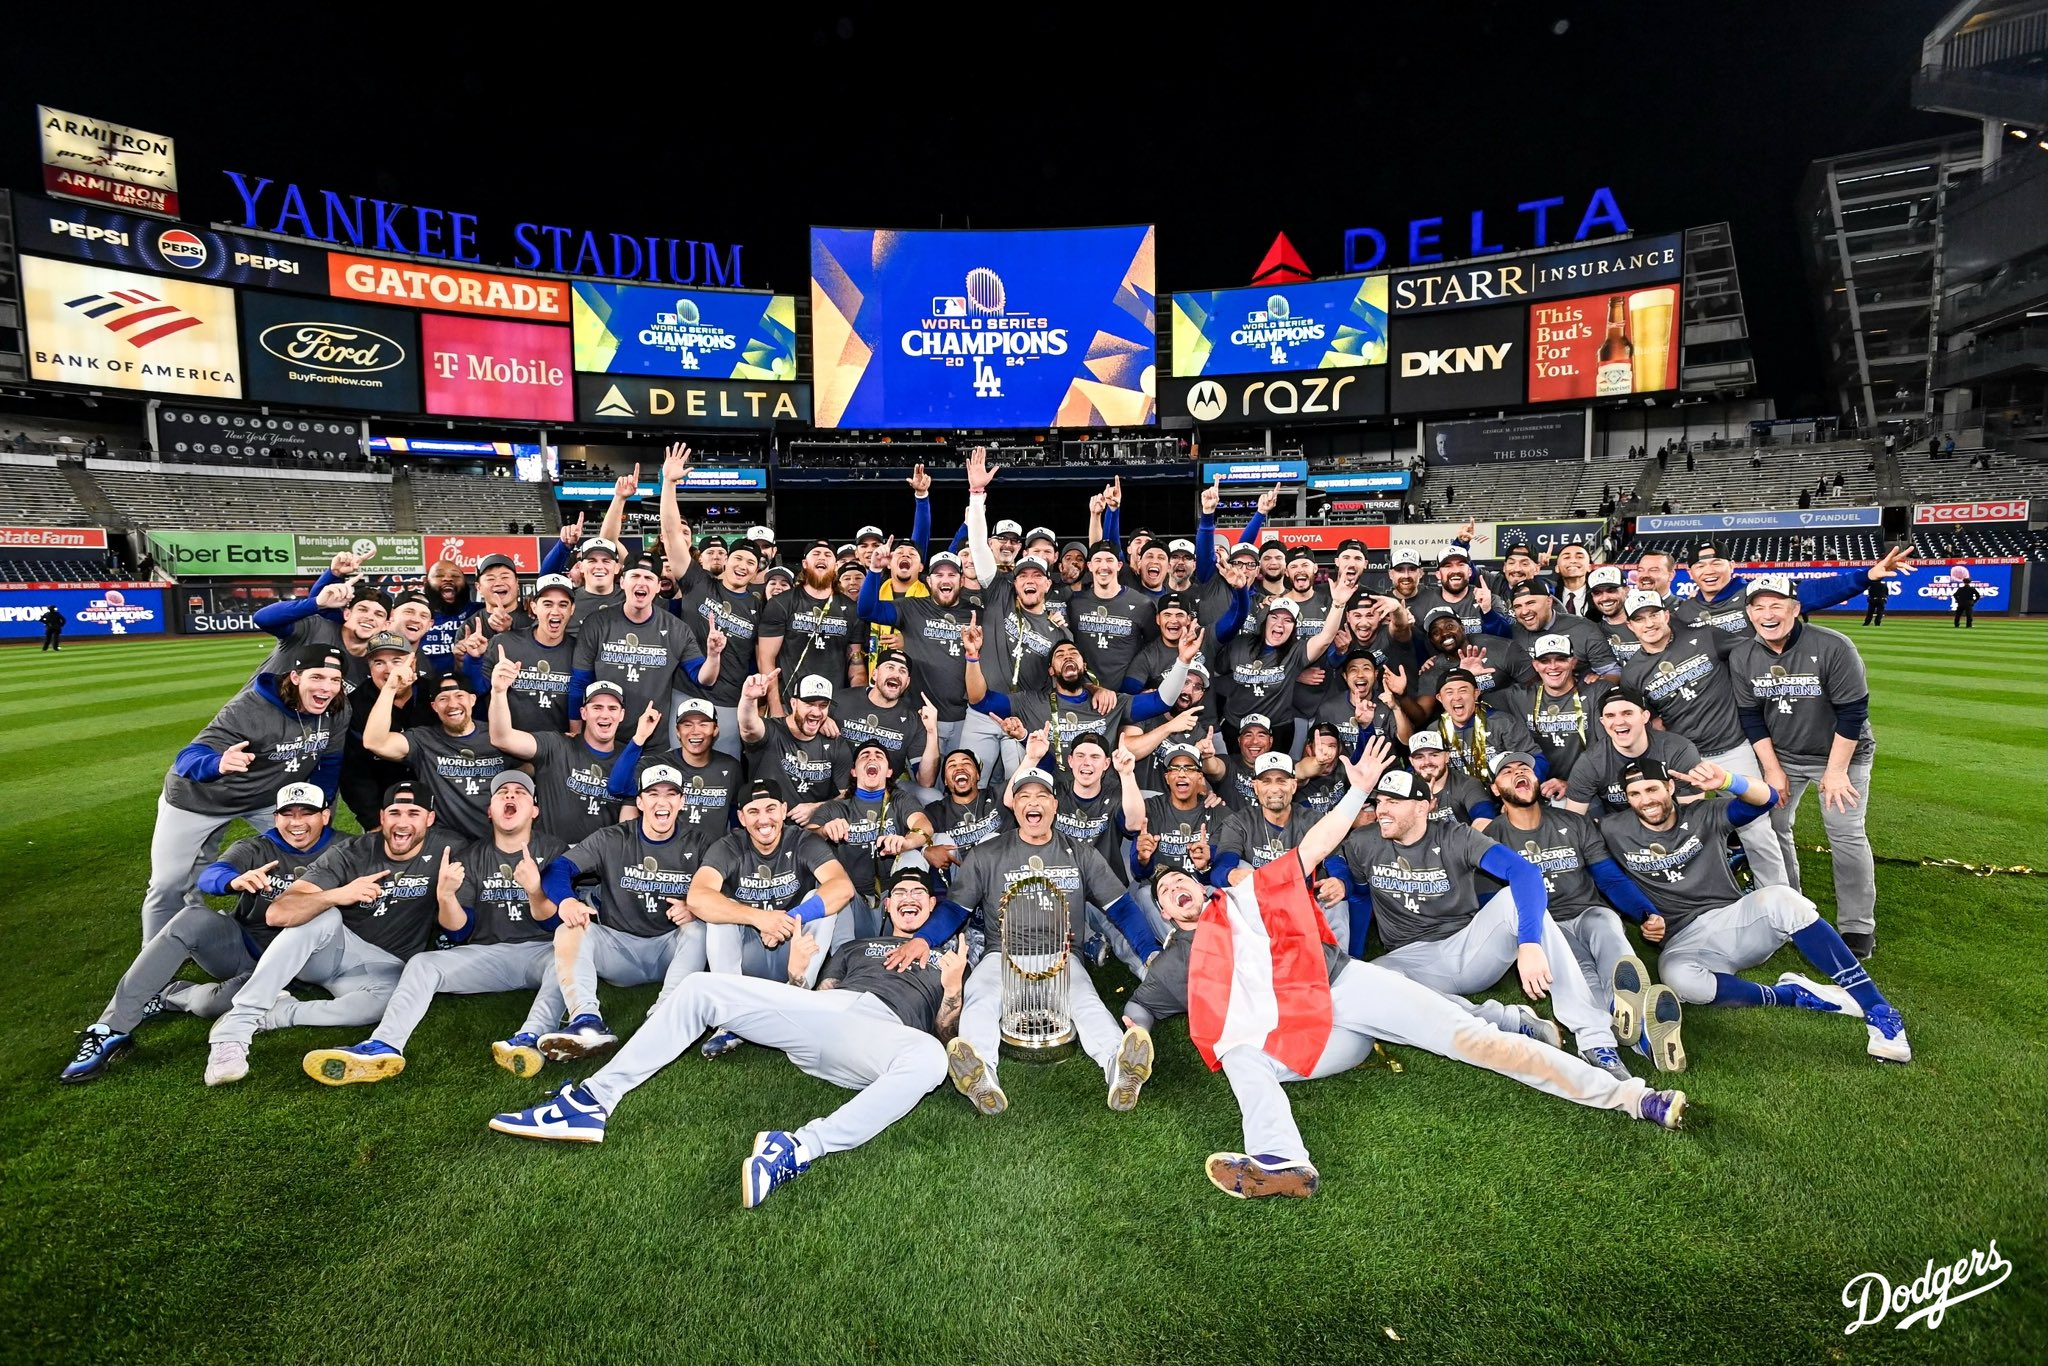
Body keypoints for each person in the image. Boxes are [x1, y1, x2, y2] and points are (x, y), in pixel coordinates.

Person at [1132, 748, 1685, 1198]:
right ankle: (1282, 1161)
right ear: (1163, 914)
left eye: (1178, 881)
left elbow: (1316, 845)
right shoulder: (1178, 958)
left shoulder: (1242, 898)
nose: (1172, 890)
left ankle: (1631, 1096)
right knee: (1238, 1054)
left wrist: (1355, 791)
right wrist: (1130, 1044)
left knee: (1473, 1041)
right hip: (1315, 1038)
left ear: (1201, 885)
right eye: (1162, 894)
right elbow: (1143, 1008)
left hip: (1344, 987)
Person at [487, 865, 965, 1210]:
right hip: (825, 1016)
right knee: (700, 987)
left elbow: (945, 1031)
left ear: (930, 906)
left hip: (883, 1036)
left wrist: (951, 989)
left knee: (930, 1058)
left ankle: (797, 1148)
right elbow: (813, 1002)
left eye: (918, 893)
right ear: (887, 904)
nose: (908, 896)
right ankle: (592, 1100)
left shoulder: (947, 958)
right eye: (899, 889)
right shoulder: (855, 946)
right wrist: (797, 974)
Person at [1599, 758, 1909, 1063]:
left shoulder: (1704, 814)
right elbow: (1606, 876)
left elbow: (1768, 799)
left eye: (1652, 789)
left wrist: (1727, 781)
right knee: (1679, 979)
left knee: (1784, 900)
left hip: (1736, 921)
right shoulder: (1615, 829)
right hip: (1683, 939)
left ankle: (1879, 1011)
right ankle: (1793, 995)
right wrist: (1644, 916)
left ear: (1669, 787)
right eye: (1635, 794)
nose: (1645, 800)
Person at [1341, 759, 1633, 1079]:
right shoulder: (1362, 842)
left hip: (1469, 948)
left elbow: (1523, 871)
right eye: (1380, 801)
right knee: (1370, 978)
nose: (1381, 810)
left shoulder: (1456, 836)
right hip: (1411, 959)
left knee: (1513, 899)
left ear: (1423, 807)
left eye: (1393, 802)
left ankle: (1595, 1039)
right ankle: (1506, 1020)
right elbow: (1358, 896)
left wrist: (1530, 943)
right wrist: (1352, 955)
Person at [902, 767, 1161, 1116]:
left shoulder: (1080, 853)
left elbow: (1123, 908)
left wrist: (1150, 952)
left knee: (1086, 1001)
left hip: (1061, 956)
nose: (1033, 802)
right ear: (1014, 806)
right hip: (1004, 955)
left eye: (1041, 796)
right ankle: (980, 1075)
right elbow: (953, 909)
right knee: (979, 997)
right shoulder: (989, 853)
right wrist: (922, 939)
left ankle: (1120, 1067)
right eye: (1024, 796)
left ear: (1054, 806)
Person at [301, 771, 565, 1084]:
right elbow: (458, 932)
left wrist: (535, 889)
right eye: (502, 793)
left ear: (534, 810)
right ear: (490, 810)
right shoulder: (470, 855)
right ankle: (383, 1045)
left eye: (520, 792)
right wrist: (445, 896)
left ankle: (530, 1038)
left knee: (569, 957)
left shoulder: (556, 851)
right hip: (487, 955)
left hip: (541, 952)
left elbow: (557, 921)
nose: (510, 796)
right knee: (423, 963)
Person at [63, 784, 336, 1083]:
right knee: (192, 918)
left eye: (306, 813)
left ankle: (170, 995)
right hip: (243, 948)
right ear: (275, 817)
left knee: (213, 1005)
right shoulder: (256, 847)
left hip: (296, 966)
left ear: (325, 815)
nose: (296, 822)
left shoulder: (348, 848)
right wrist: (234, 881)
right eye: (288, 814)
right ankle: (110, 1030)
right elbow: (211, 876)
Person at [203, 781, 460, 1086]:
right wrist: (337, 895)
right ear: (381, 817)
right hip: (335, 950)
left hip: (382, 967)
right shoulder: (352, 852)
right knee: (321, 915)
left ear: (429, 819)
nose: (402, 822)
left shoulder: (449, 849)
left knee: (392, 1002)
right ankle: (235, 1029)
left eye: (413, 813)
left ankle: (277, 1014)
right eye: (394, 812)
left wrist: (446, 895)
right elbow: (278, 913)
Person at [1484, 754, 1682, 1069]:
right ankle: (1606, 1040)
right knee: (1578, 967)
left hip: (1587, 911)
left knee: (1609, 928)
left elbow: (1609, 877)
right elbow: (1491, 905)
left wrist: (1646, 913)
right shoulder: (1490, 839)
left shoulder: (1573, 822)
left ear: (1536, 780)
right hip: (1544, 924)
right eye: (1507, 772)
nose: (1518, 773)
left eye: (1524, 769)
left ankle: (1625, 1011)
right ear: (1496, 789)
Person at [140, 645, 349, 940]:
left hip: (265, 800)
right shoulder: (249, 708)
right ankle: (155, 950)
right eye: (317, 677)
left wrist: (319, 804)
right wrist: (217, 763)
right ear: (296, 677)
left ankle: (292, 932)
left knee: (306, 856)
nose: (326, 688)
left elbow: (329, 760)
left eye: (334, 680)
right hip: (199, 799)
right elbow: (188, 756)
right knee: (168, 882)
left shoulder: (337, 709)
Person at [1729, 578, 1879, 958]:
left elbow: (1852, 712)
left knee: (1845, 835)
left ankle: (1857, 927)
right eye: (1759, 607)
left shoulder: (1832, 646)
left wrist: (1836, 771)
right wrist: (1773, 770)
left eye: (1777, 605)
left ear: (1795, 609)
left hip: (1842, 755)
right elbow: (1751, 718)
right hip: (1785, 756)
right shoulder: (1744, 655)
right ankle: (1794, 909)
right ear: (1748, 614)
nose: (1768, 614)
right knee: (1774, 827)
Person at [529, 762, 717, 1063]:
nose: (662, 802)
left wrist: (694, 907)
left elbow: (724, 887)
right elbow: (557, 868)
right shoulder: (613, 838)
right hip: (620, 950)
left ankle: (663, 1017)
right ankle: (586, 1020)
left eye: (671, 794)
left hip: (669, 949)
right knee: (570, 928)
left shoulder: (700, 842)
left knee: (700, 929)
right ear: (640, 802)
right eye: (653, 794)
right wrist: (566, 901)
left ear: (682, 802)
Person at [1617, 589, 1788, 886]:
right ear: (1630, 626)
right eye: (1639, 619)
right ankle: (1708, 899)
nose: (1649, 623)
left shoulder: (1707, 636)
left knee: (1757, 830)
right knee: (1689, 833)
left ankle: (1782, 904)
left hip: (1734, 748)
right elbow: (1651, 719)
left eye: (1654, 614)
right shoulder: (1633, 672)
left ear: (1666, 615)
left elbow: (1753, 654)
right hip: (1687, 759)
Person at [487, 652, 633, 844]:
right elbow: (502, 738)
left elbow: (629, 829)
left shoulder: (630, 758)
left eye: (612, 709)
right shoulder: (556, 745)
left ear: (622, 715)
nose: (605, 715)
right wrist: (498, 692)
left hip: (601, 864)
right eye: (597, 707)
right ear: (583, 712)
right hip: (552, 859)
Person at [362, 664, 512, 843]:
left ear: (472, 699)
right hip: (445, 843)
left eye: (459, 696)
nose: (452, 704)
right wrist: (390, 688)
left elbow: (531, 766)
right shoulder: (424, 739)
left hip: (497, 841)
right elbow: (374, 742)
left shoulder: (499, 736)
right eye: (443, 699)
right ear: (434, 706)